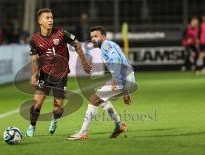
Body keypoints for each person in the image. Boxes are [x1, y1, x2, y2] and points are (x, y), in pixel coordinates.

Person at [25, 8, 91, 137]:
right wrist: (33, 76)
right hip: (45, 74)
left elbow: (77, 44)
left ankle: (54, 120)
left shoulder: (61, 33)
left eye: (51, 17)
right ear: (40, 21)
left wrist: (84, 62)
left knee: (58, 106)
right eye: (47, 18)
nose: (50, 20)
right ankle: (32, 126)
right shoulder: (35, 40)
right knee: (37, 103)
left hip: (61, 75)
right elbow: (34, 60)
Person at [67, 26, 136, 140]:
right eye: (91, 37)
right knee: (102, 101)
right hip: (125, 78)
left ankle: (82, 133)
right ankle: (119, 126)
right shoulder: (109, 45)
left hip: (121, 79)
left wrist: (116, 79)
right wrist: (126, 91)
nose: (93, 39)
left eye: (96, 36)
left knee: (93, 99)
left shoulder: (106, 46)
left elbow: (116, 60)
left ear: (103, 37)